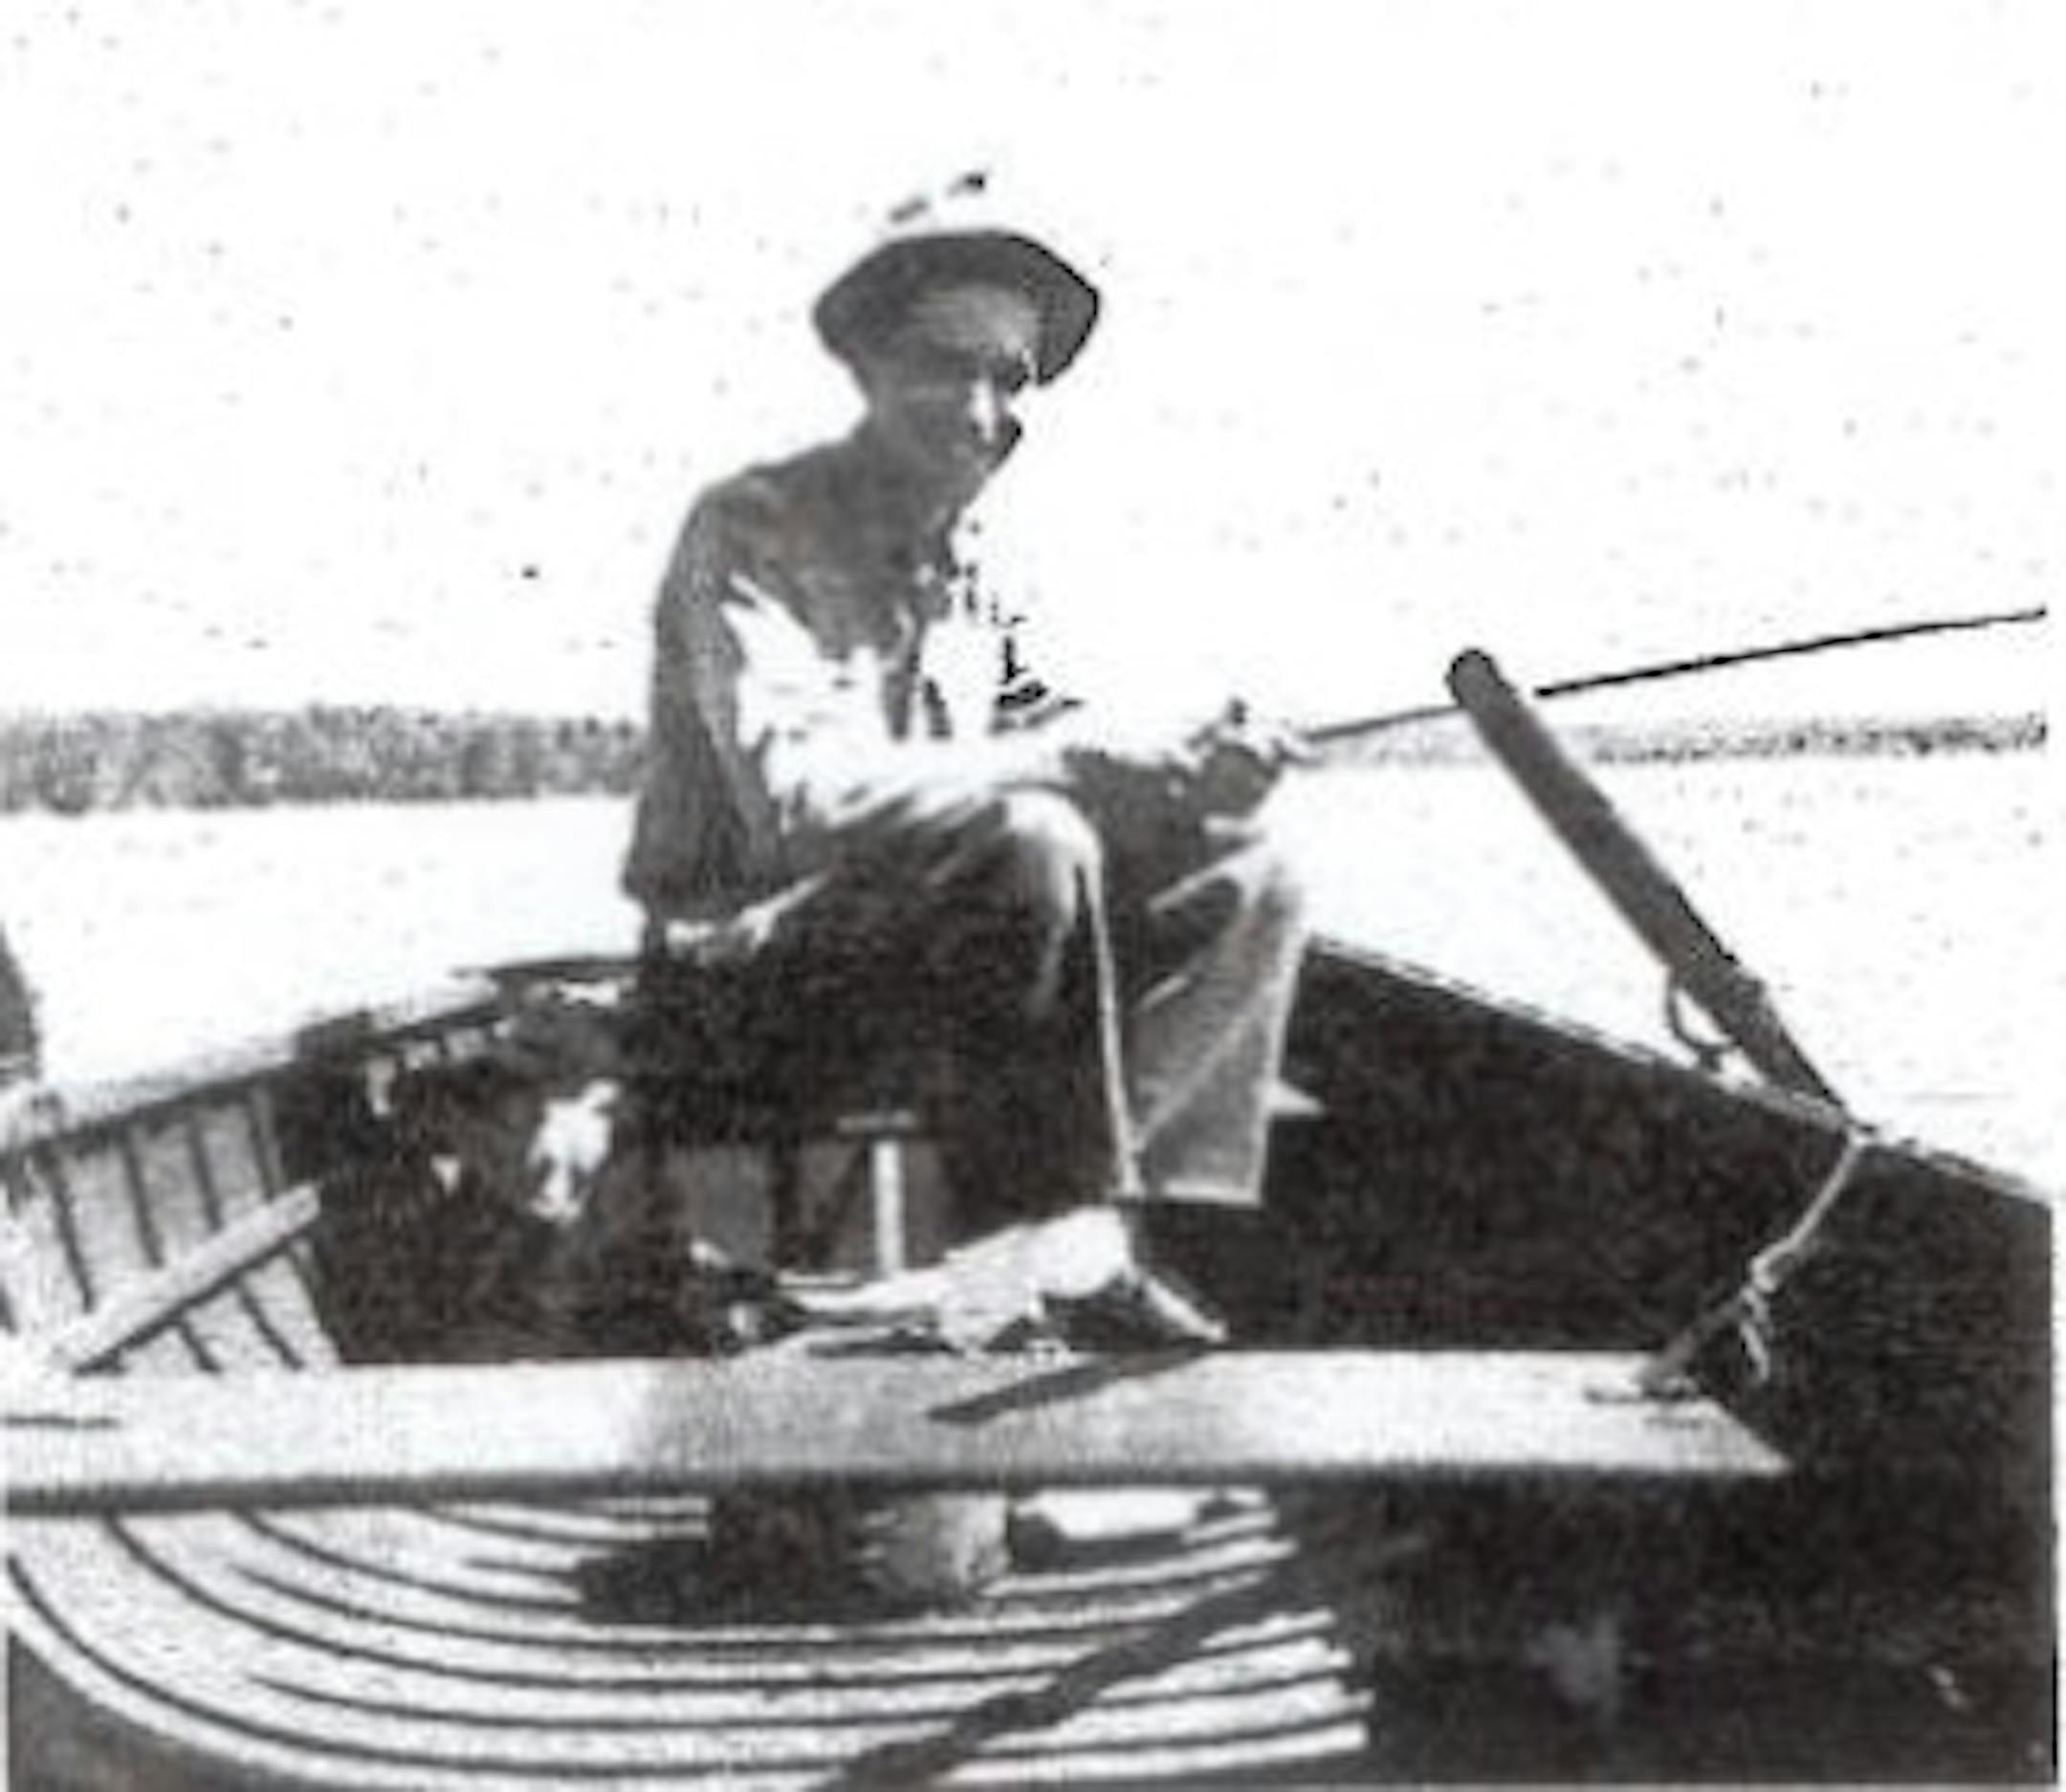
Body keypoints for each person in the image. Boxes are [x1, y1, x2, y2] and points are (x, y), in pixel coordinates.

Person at [623, 185, 1311, 1256]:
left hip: (922, 957)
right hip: (735, 1001)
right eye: (946, 365)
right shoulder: (749, 528)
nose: (983, 410)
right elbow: (800, 801)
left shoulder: (969, 564)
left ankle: (1134, 1234)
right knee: (1036, 837)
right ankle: (1021, 1243)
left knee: (1250, 869)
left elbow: (1041, 723)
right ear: (868, 368)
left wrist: (1185, 775)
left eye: (1009, 378)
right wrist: (1069, 760)